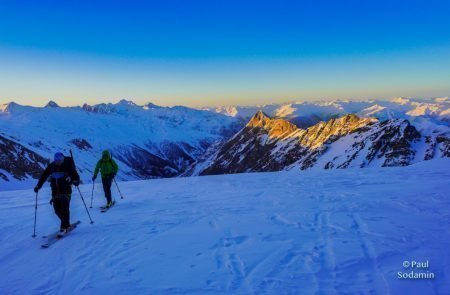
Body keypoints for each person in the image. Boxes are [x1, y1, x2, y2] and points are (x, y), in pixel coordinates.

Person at [34, 152, 80, 232]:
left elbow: (75, 176)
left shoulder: (68, 165)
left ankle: (63, 227)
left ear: (63, 159)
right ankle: (66, 223)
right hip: (55, 191)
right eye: (56, 160)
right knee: (57, 210)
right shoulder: (52, 166)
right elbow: (44, 175)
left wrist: (74, 180)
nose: (58, 162)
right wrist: (38, 186)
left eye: (59, 161)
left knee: (65, 208)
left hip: (66, 190)